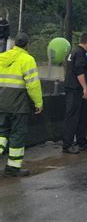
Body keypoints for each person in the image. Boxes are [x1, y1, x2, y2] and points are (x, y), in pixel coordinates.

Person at [0, 33, 43, 177]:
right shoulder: (28, 59)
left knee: (1, 133)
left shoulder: (2, 57)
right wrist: (38, 103)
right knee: (17, 135)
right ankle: (12, 169)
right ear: (27, 45)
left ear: (14, 44)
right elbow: (33, 85)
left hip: (1, 102)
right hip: (18, 104)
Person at [63, 33, 87, 154]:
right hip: (76, 89)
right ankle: (67, 144)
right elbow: (79, 71)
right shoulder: (80, 53)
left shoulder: (74, 51)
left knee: (82, 116)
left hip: (72, 87)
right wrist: (85, 88)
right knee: (73, 117)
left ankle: (82, 141)